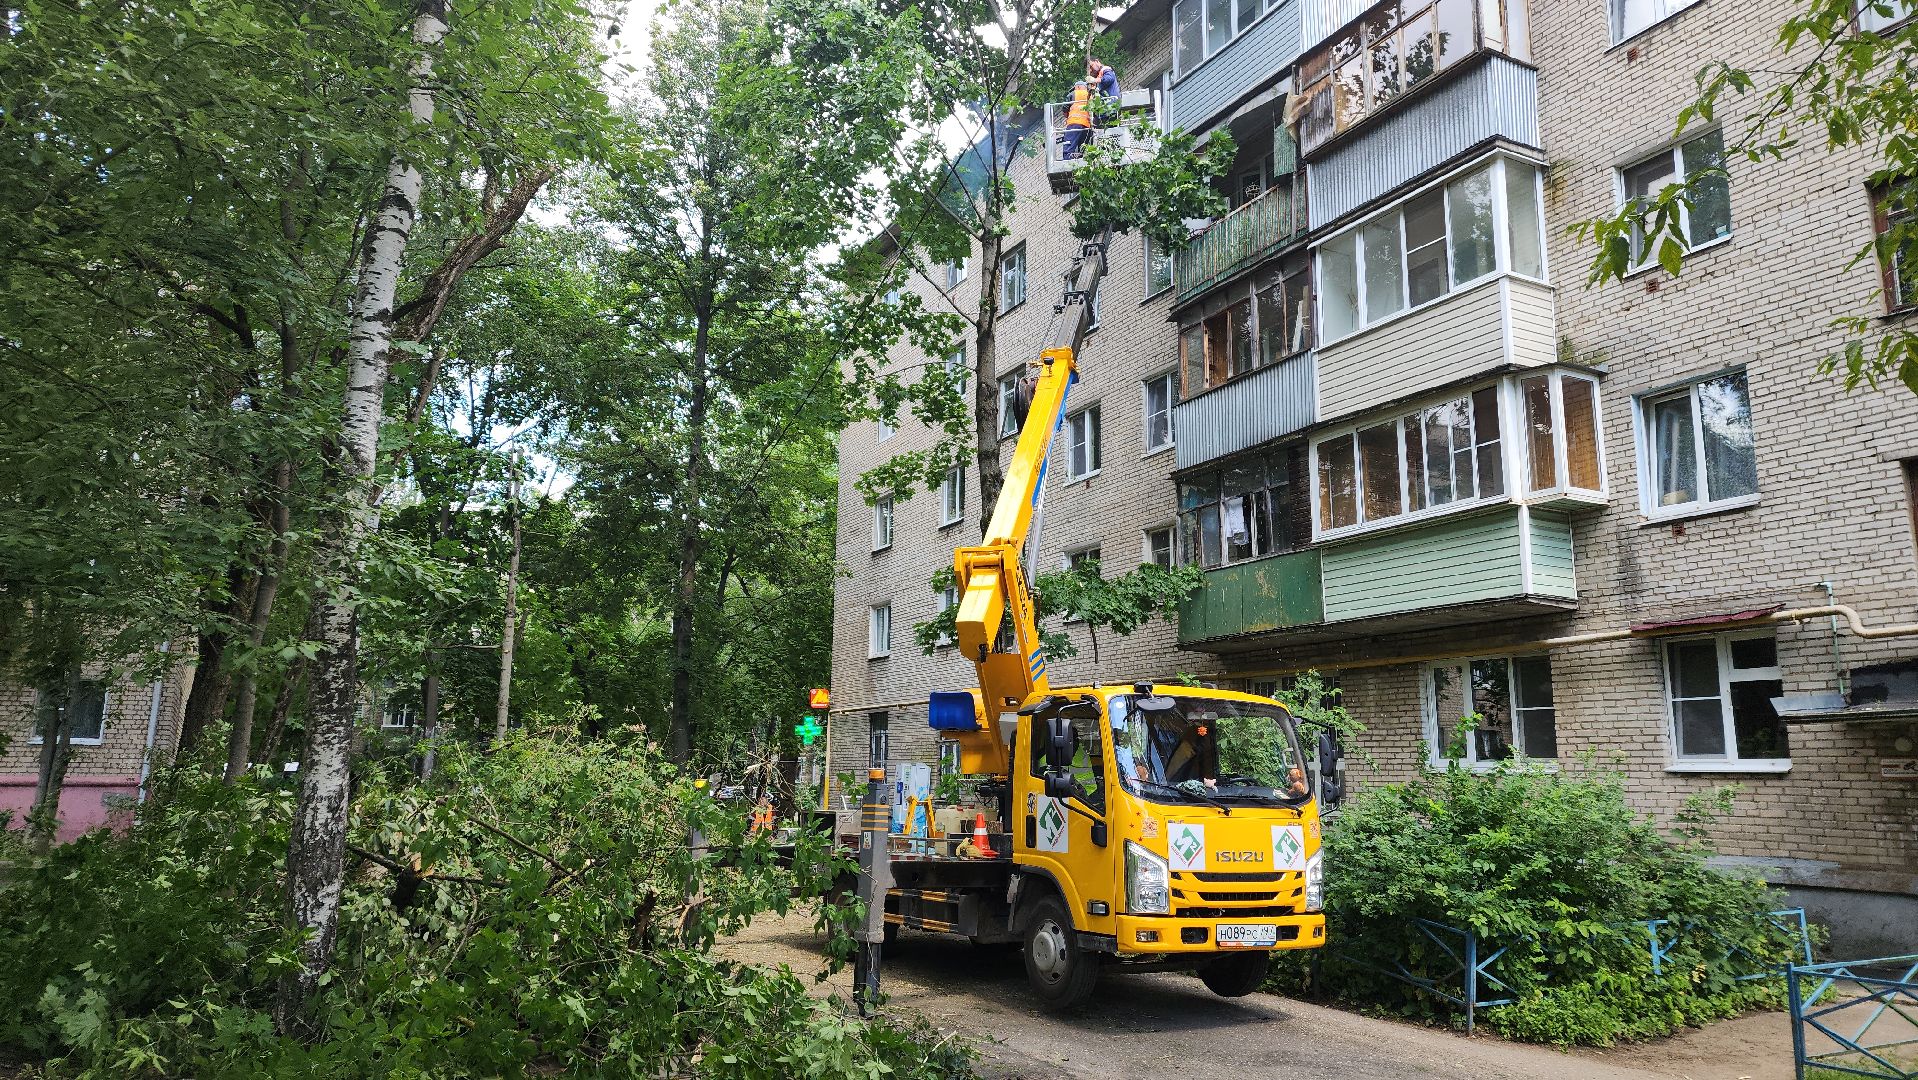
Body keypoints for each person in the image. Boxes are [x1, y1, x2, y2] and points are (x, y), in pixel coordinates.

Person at [1061, 79, 1092, 159]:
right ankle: (1081, 157)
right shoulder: (1090, 95)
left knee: (1069, 144)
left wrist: (1067, 116)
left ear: (1078, 87)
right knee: (1082, 146)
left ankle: (1067, 158)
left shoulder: (1073, 94)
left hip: (1074, 123)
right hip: (1087, 125)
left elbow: (1065, 108)